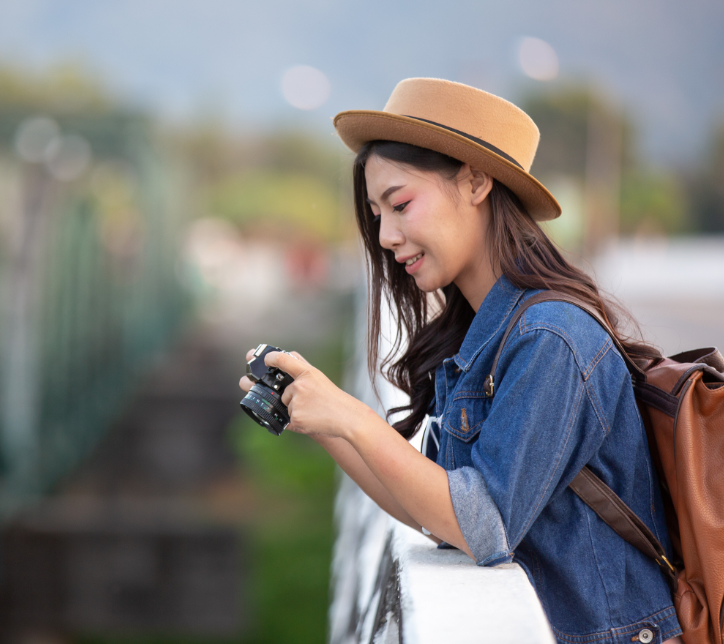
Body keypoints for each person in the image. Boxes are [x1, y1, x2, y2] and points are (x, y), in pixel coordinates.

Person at [238, 78, 683, 644]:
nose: (385, 235)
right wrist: (320, 420)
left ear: (475, 181)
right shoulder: (481, 335)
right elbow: (434, 512)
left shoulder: (552, 336)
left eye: (399, 204)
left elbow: (481, 523)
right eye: (376, 214)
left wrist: (351, 417)